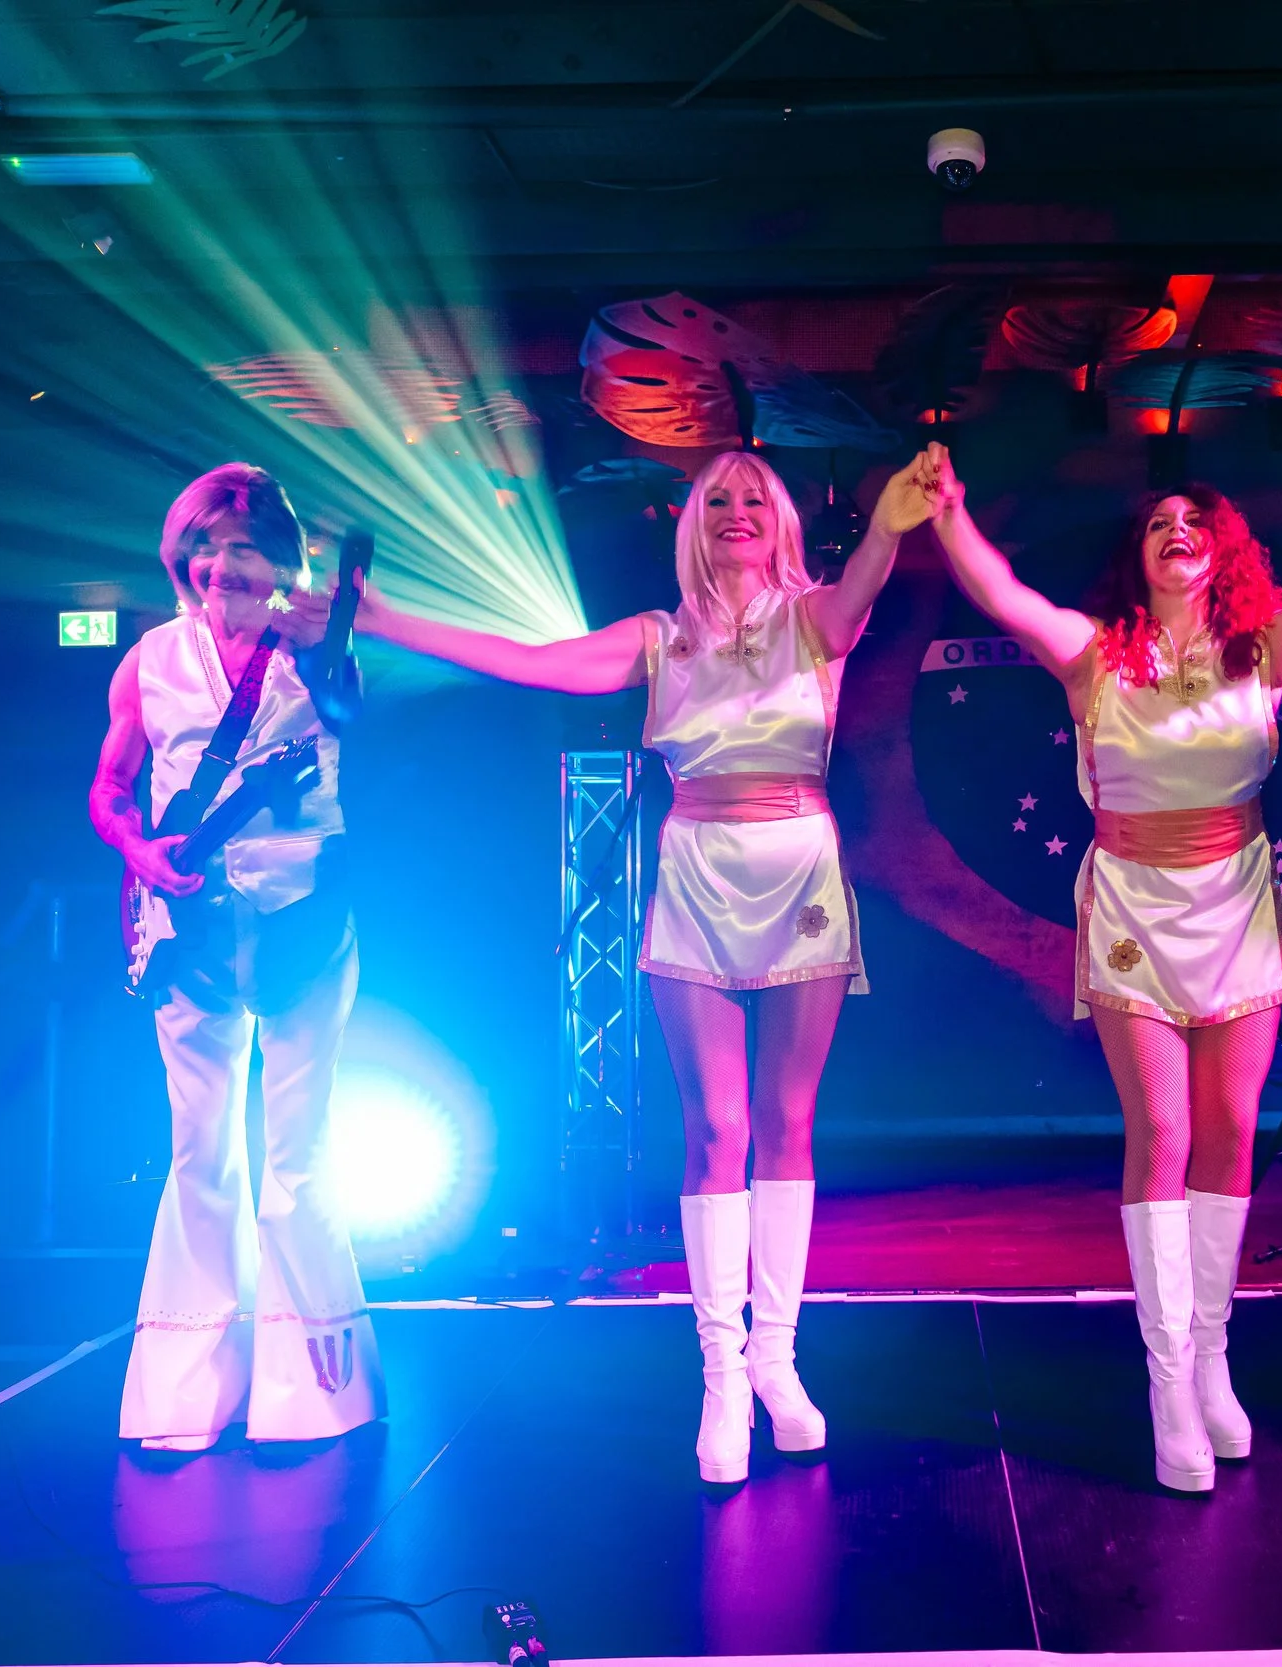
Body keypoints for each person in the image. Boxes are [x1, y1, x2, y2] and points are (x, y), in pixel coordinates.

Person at [923, 393, 1282, 1493]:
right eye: (1157, 523)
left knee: (1231, 1129)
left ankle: (1212, 1351)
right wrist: (946, 511)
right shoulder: (1095, 654)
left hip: (1235, 901)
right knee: (1166, 1130)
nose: (1175, 530)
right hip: (1134, 907)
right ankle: (1166, 1379)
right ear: (1137, 556)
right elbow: (998, 592)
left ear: (1222, 549)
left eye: (1194, 521)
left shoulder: (1260, 652)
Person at [360, 449, 937, 1484]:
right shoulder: (658, 638)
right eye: (716, 498)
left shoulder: (814, 620)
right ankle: (721, 1375)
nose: (736, 511)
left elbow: (859, 591)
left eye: (754, 497)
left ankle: (776, 1360)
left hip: (799, 870)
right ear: (691, 523)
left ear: (782, 519)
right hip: (697, 874)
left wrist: (891, 525)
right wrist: (387, 621)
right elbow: (527, 659)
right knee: (716, 1128)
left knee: (787, 1123)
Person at [89, 463, 378, 1452]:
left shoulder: (317, 648)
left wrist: (332, 634)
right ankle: (187, 1384)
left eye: (244, 547)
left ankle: (311, 1385)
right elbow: (110, 787)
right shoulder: (148, 660)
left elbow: (347, 712)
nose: (222, 566)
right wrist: (138, 851)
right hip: (190, 928)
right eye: (206, 547)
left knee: (298, 1151)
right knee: (198, 1148)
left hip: (304, 917)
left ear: (281, 560)